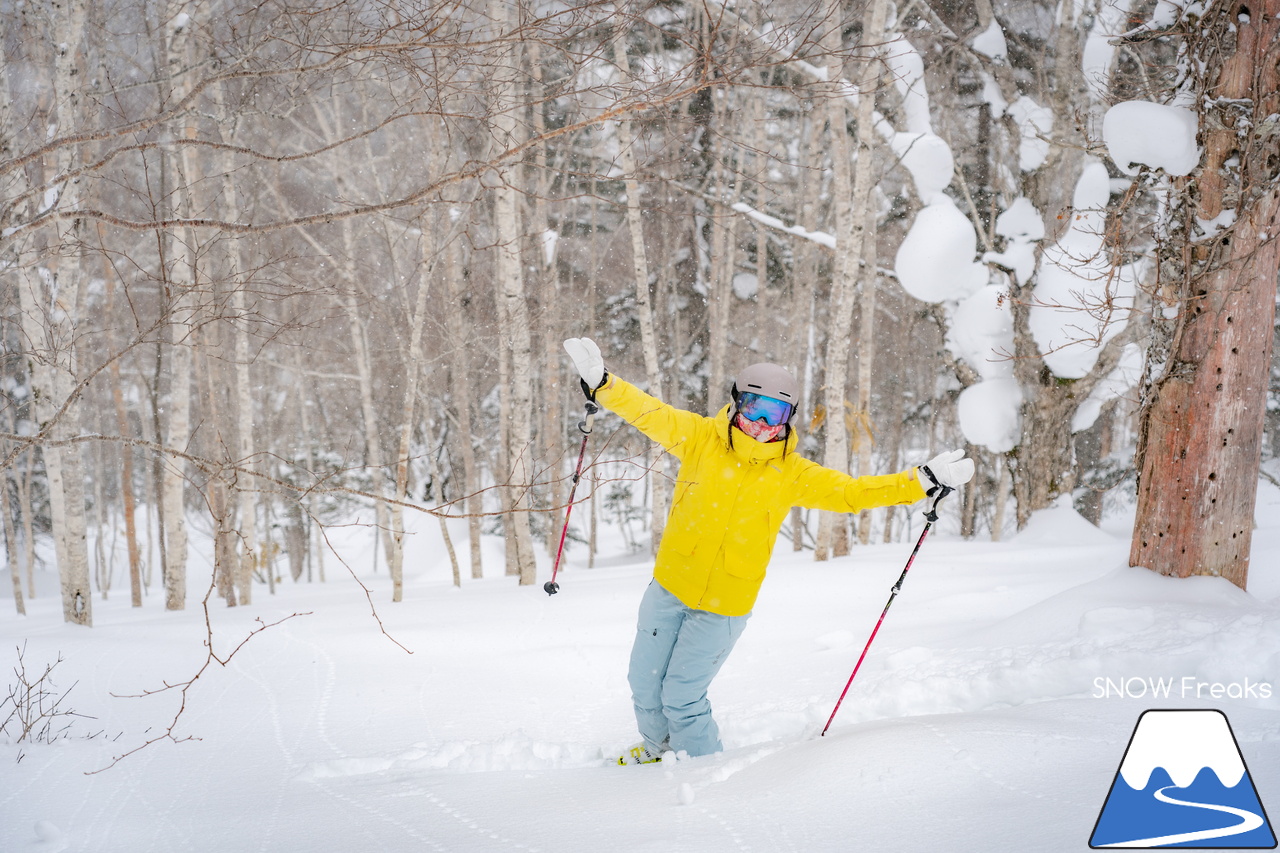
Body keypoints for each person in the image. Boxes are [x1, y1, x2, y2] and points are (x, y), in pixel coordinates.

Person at [562, 338, 974, 765]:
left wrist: (920, 479)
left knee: (682, 696)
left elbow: (851, 494)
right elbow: (649, 413)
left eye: (774, 413)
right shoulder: (699, 438)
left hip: (723, 607)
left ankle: (702, 773)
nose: (761, 422)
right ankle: (657, 752)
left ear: (788, 417)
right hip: (669, 588)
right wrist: (603, 384)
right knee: (645, 685)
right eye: (754, 406)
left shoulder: (791, 473)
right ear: (737, 403)